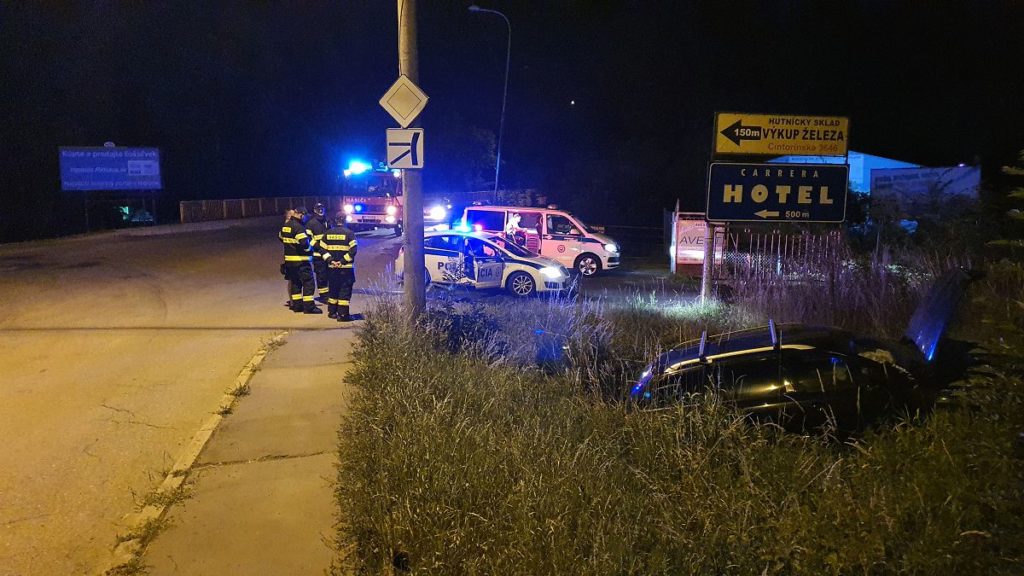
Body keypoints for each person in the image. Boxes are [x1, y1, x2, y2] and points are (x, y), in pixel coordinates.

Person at [279, 206, 322, 314]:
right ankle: (309, 307)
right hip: (301, 261)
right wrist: (310, 250)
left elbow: (281, 237)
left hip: (289, 261)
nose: (305, 218)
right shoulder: (298, 227)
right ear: (301, 214)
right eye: (305, 216)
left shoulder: (286, 226)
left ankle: (297, 306)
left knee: (295, 283)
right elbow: (305, 244)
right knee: (308, 283)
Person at [319, 214, 358, 321]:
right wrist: (342, 262)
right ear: (345, 221)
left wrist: (331, 260)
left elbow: (322, 250)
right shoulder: (349, 234)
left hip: (332, 268)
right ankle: (343, 315)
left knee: (333, 290)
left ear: (335, 221)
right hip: (346, 268)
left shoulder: (327, 234)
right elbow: (353, 250)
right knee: (344, 291)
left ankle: (332, 312)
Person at [307, 202, 332, 303]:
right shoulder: (311, 223)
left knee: (329, 274)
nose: (321, 210)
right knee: (321, 275)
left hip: (328, 254)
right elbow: (310, 240)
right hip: (318, 255)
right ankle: (323, 296)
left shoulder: (327, 221)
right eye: (318, 209)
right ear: (314, 210)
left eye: (322, 208)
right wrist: (320, 248)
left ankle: (329, 293)